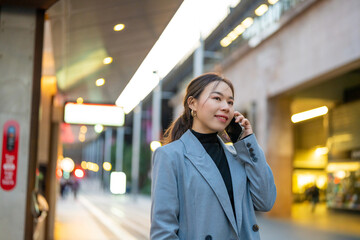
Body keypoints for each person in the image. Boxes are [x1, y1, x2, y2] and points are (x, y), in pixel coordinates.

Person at [150, 73, 277, 240]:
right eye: (217, 98)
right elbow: (163, 232)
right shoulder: (171, 156)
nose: (226, 107)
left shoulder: (238, 156)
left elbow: (265, 202)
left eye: (230, 102)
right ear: (192, 103)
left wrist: (247, 142)